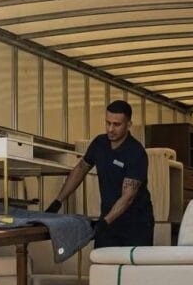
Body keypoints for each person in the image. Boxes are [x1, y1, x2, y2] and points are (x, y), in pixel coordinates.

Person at [45, 100, 154, 248]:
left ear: (129, 125)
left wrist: (104, 222)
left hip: (136, 225)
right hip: (108, 220)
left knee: (132, 270)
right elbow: (80, 170)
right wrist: (58, 201)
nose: (110, 129)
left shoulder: (135, 153)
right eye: (107, 123)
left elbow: (128, 197)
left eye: (116, 124)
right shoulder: (99, 144)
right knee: (102, 266)